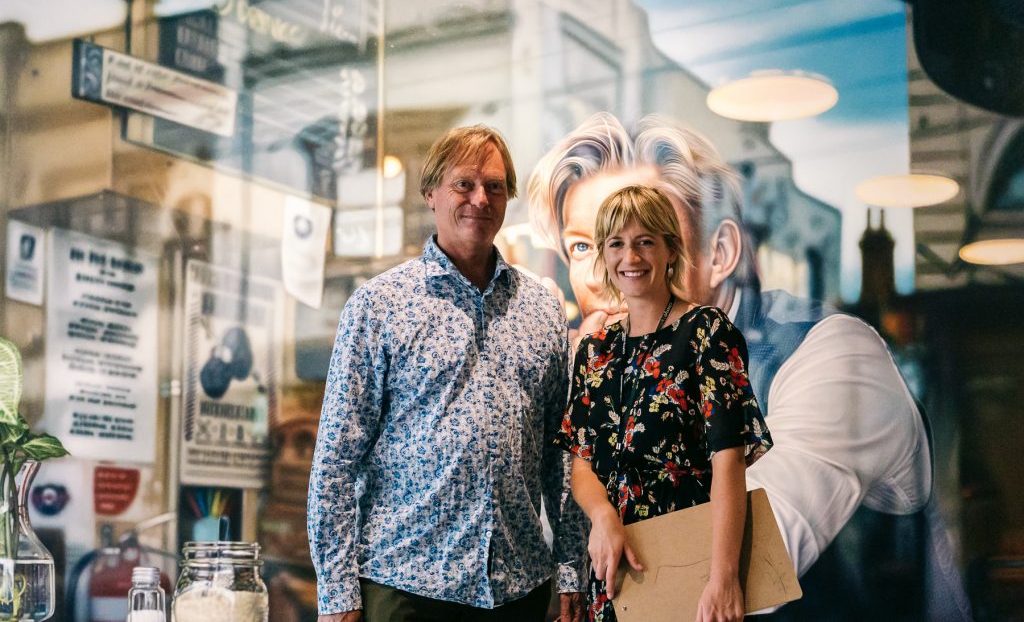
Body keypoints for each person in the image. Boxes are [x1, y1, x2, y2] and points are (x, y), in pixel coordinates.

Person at [528, 113, 971, 620]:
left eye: (647, 231)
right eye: (586, 245)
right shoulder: (606, 360)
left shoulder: (834, 353)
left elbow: (738, 567)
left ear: (718, 253)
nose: (612, 268)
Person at [308, 125, 586, 622]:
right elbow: (335, 462)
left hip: (518, 589)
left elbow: (558, 457)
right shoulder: (379, 306)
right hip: (405, 585)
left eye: (495, 187)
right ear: (430, 194)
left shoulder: (542, 308)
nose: (480, 198)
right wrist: (337, 593)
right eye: (465, 184)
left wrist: (571, 567)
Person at [554, 185, 773, 622]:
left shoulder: (706, 333)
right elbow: (582, 467)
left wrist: (724, 577)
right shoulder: (595, 350)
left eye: (645, 242)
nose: (629, 257)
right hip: (614, 571)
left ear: (671, 249)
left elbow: (729, 465)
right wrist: (601, 516)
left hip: (689, 567)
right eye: (616, 244)